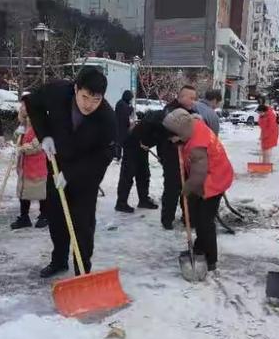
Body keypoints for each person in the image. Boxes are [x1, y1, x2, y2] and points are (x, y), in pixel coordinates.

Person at [25, 67, 116, 278]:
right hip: (57, 164)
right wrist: (44, 135)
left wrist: (72, 174)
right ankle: (58, 261)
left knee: (83, 224)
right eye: (85, 97)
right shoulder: (57, 91)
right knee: (56, 217)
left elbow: (104, 156)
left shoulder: (107, 119)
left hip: (86, 175)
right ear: (76, 88)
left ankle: (82, 270)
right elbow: (32, 103)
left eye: (96, 100)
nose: (89, 105)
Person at [162, 108, 234, 271]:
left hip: (214, 180)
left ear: (181, 131)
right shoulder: (193, 124)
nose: (172, 140)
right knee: (197, 215)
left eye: (174, 136)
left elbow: (198, 174)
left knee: (204, 221)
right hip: (209, 175)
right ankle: (199, 248)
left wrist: (186, 190)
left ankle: (210, 259)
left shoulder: (196, 145)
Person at [158, 85, 197, 230]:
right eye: (191, 98)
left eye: (195, 98)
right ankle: (167, 219)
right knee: (172, 188)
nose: (194, 101)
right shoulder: (170, 110)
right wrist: (177, 136)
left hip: (187, 156)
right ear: (181, 97)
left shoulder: (191, 111)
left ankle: (187, 216)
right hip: (172, 156)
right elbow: (168, 130)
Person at [115, 110, 164, 213]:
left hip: (142, 147)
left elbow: (158, 141)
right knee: (127, 175)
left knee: (144, 174)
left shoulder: (162, 122)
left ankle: (143, 200)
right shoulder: (157, 122)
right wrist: (143, 143)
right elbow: (158, 141)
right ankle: (121, 203)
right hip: (132, 145)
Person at [11, 98, 48, 230]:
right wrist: (17, 135)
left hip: (37, 164)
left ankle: (44, 215)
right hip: (24, 165)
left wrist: (22, 149)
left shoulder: (40, 124)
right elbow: (18, 139)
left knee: (40, 192)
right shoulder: (24, 124)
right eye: (21, 106)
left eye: (24, 106)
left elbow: (37, 145)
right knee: (24, 192)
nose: (21, 108)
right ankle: (24, 217)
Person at [114, 90, 134, 161]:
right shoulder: (122, 104)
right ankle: (118, 156)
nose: (131, 100)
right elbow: (126, 114)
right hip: (121, 126)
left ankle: (118, 155)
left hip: (121, 125)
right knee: (121, 142)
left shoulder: (121, 103)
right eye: (130, 98)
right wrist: (131, 109)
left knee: (120, 141)